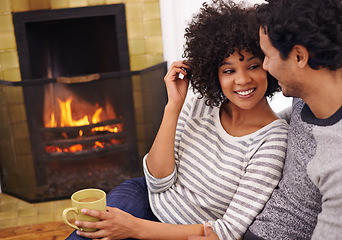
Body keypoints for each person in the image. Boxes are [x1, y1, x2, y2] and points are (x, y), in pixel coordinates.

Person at [66, 1, 288, 239]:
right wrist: (173, 106)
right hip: (143, 198)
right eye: (229, 70)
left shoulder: (273, 140)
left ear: (268, 65)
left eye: (252, 66)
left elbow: (227, 231)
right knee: (88, 234)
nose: (243, 80)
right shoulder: (203, 104)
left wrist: (132, 228)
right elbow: (157, 182)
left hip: (177, 232)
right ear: (215, 74)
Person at [190, 0, 342, 239]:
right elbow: (273, 130)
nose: (266, 68)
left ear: (299, 56)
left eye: (267, 56)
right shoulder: (310, 98)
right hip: (239, 219)